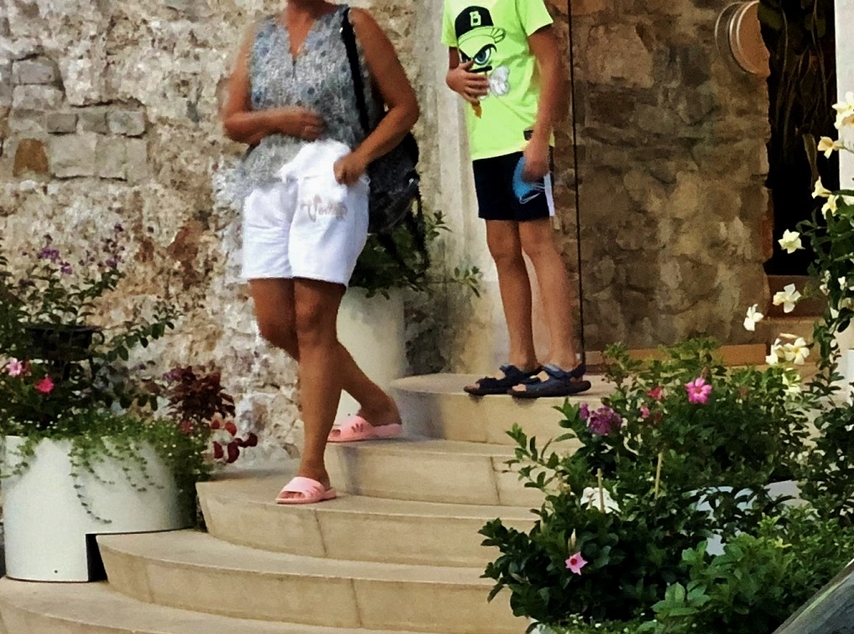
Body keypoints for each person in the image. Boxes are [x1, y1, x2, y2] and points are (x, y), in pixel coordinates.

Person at [220, 0, 420, 505]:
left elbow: (404, 106)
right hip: (267, 182)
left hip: (331, 179)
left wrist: (360, 157)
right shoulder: (260, 35)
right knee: (276, 324)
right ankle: (376, 405)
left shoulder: (355, 25)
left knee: (313, 320)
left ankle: (313, 469)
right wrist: (278, 119)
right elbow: (234, 122)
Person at [445, 0, 586, 399]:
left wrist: (541, 137)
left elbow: (552, 61)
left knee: (537, 243)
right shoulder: (450, 6)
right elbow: (454, 66)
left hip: (522, 140)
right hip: (484, 146)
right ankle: (523, 357)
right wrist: (452, 79)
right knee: (502, 248)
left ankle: (564, 358)